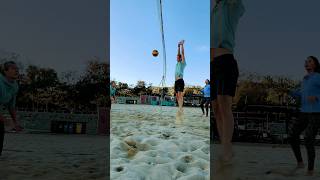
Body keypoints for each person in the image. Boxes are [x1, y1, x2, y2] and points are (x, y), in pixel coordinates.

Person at [211, 0, 245, 163]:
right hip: (212, 65)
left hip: (225, 61)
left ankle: (227, 149)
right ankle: (225, 146)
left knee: (224, 107)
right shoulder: (214, 10)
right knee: (216, 109)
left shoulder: (231, 6)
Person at [288, 56, 320, 176]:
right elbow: (301, 94)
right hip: (304, 112)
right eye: (305, 62)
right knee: (292, 135)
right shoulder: (305, 79)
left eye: (309, 61)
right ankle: (300, 162)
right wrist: (291, 92)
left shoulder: (318, 77)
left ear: (315, 64)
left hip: (316, 113)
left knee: (308, 138)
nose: (306, 63)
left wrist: (317, 97)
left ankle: (310, 170)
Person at [0, 61, 23, 156]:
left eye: (17, 69)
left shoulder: (15, 86)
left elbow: (11, 106)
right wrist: (7, 121)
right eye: (13, 68)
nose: (16, 70)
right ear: (5, 71)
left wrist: (16, 122)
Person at [175, 40, 187, 115]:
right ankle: (180, 108)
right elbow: (178, 54)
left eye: (178, 57)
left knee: (180, 95)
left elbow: (182, 54)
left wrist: (182, 45)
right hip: (176, 82)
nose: (176, 58)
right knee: (177, 96)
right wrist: (178, 46)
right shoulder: (177, 64)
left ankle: (180, 109)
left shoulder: (183, 63)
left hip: (180, 81)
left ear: (180, 58)